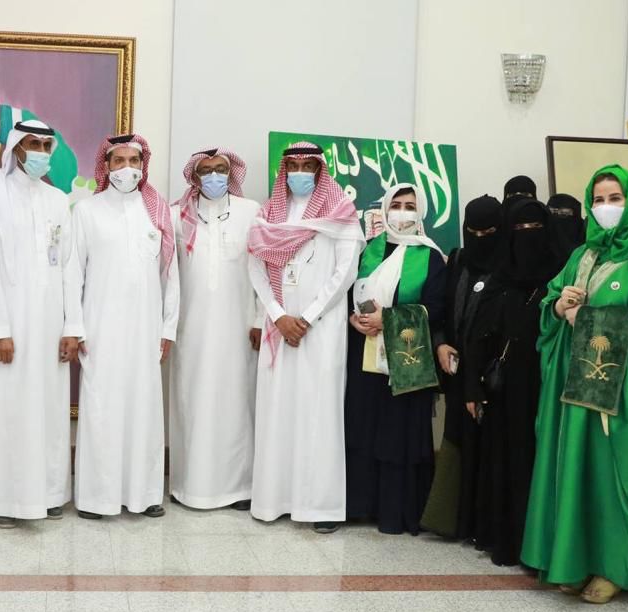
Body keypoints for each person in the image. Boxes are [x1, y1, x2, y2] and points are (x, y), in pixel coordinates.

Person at [522, 165, 628, 604]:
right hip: (575, 389)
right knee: (577, 473)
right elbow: (550, 300)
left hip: (619, 394)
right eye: (598, 200)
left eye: (615, 198)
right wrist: (560, 307)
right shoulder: (582, 255)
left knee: (613, 478)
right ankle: (574, 560)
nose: (606, 207)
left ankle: (615, 567)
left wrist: (590, 320)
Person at [247, 143, 364, 531]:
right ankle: (274, 500)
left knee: (318, 413)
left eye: (307, 165)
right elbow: (255, 267)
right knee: (277, 411)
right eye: (293, 165)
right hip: (279, 327)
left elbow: (345, 273)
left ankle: (319, 508)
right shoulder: (269, 214)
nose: (299, 172)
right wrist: (279, 315)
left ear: (319, 169)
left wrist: (308, 318)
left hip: (322, 329)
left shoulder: (341, 213)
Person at [0, 120, 82, 529]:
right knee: (8, 410)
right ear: (16, 147)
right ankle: (5, 500)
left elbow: (69, 266)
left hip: (51, 324)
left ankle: (49, 494)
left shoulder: (57, 199)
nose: (38, 151)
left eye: (44, 145)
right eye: (31, 143)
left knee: (49, 409)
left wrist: (72, 327)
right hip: (10, 324)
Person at [71, 133, 179, 519]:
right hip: (100, 329)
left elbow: (170, 276)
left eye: (134, 161)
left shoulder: (157, 211)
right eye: (118, 161)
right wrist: (75, 327)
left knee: (143, 409)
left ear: (143, 165)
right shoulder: (87, 211)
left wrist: (168, 329)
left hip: (146, 330)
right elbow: (73, 273)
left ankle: (145, 495)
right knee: (102, 409)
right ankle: (96, 499)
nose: (126, 168)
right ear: (106, 166)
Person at [345, 183, 445, 536]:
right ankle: (361, 506)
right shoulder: (368, 249)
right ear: (385, 209)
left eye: (410, 206)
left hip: (406, 360)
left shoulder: (431, 256)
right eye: (396, 205)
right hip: (364, 354)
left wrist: (387, 319)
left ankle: (396, 513)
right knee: (363, 427)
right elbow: (349, 294)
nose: (402, 212)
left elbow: (437, 309)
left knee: (398, 434)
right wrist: (354, 319)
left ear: (421, 212)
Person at [462, 199, 555, 566]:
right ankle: (503, 540)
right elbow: (477, 337)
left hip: (544, 389)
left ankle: (538, 546)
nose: (527, 237)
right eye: (519, 230)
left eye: (536, 229)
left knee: (539, 464)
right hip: (502, 391)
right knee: (502, 463)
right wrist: (472, 387)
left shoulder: (559, 275)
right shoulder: (500, 277)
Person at [169, 147, 261, 511]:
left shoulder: (251, 212)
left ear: (231, 173)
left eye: (220, 169)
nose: (213, 177)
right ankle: (188, 486)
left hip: (240, 329)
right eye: (205, 171)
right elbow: (167, 275)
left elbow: (263, 271)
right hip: (190, 330)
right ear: (194, 177)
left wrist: (259, 319)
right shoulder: (177, 215)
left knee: (237, 404)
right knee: (190, 402)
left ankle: (238, 487)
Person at [420, 195, 505, 538]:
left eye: (489, 232)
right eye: (474, 232)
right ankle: (452, 521)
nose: (480, 238)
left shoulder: (508, 266)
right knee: (457, 441)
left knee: (489, 449)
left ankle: (483, 526)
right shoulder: (458, 260)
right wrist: (440, 343)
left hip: (490, 374)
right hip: (456, 368)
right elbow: (440, 310)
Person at [546, 193, 586, 269]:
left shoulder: (587, 238)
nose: (557, 216)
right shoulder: (542, 240)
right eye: (552, 212)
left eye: (564, 213)